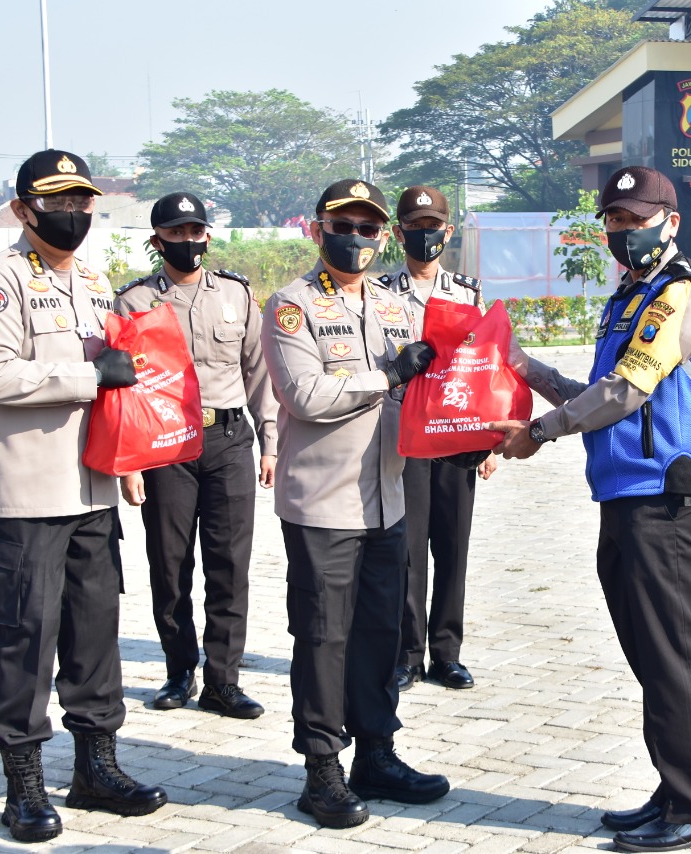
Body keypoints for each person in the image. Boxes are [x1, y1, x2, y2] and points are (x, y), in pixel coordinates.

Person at [488, 165, 691, 853]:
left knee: (677, 656)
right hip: (627, 495)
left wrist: (538, 432)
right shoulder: (629, 297)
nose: (625, 232)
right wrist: (523, 366)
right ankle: (674, 789)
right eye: (616, 221)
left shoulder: (679, 295)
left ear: (671, 221)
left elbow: (626, 392)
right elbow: (593, 390)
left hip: (667, 497)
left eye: (638, 219)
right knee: (653, 655)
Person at [0, 150, 166, 843]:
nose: (72, 213)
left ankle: (96, 769)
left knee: (94, 636)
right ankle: (23, 787)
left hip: (91, 487)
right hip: (22, 495)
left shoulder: (95, 281)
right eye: (56, 202)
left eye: (81, 201)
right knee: (22, 641)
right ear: (21, 210)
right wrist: (86, 373)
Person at [260, 179, 447, 830]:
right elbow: (306, 394)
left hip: (386, 500)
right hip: (322, 504)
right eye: (346, 225)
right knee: (322, 638)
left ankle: (377, 754)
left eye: (370, 228)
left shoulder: (397, 307)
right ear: (319, 229)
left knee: (378, 635)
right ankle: (321, 770)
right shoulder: (291, 305)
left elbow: (450, 362)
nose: (359, 238)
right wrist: (387, 377)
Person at [114, 192, 277, 718]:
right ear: (157, 240)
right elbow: (122, 389)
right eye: (177, 233)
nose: (189, 241)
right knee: (169, 562)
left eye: (196, 231)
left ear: (207, 234)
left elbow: (259, 372)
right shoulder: (135, 302)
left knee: (230, 565)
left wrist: (270, 440)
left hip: (228, 439)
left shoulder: (236, 295)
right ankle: (179, 670)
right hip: (164, 445)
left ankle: (223, 681)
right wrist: (130, 460)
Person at [384, 185, 495, 692]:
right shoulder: (381, 292)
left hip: (456, 434)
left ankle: (447, 652)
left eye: (433, 225)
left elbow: (483, 365)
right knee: (408, 547)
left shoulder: (468, 292)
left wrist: (490, 438)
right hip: (406, 435)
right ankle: (407, 652)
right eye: (414, 225)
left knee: (453, 544)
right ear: (397, 231)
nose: (423, 234)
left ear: (447, 231)